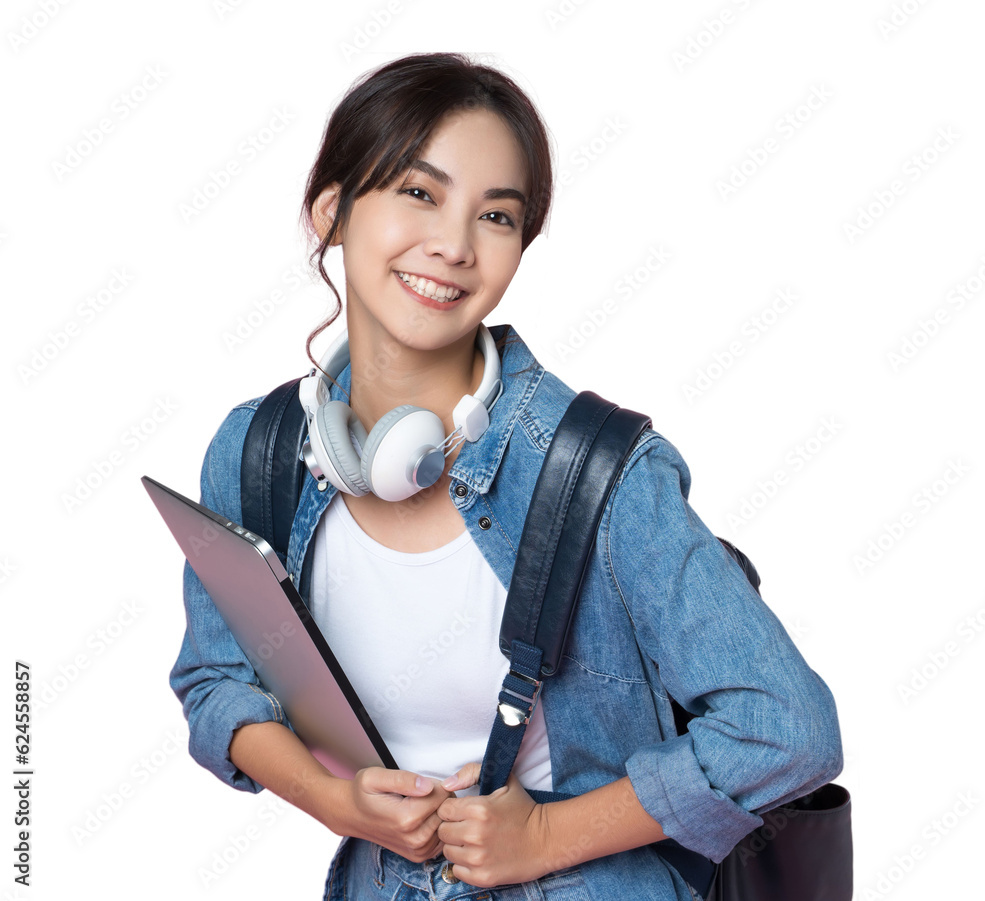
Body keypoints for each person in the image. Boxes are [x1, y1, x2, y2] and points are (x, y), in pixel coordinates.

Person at [169, 52, 843, 900]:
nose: (453, 245)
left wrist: (544, 835)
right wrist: (339, 801)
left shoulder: (599, 472)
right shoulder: (255, 451)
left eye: (495, 215)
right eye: (420, 192)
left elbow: (788, 727)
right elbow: (218, 680)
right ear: (332, 210)